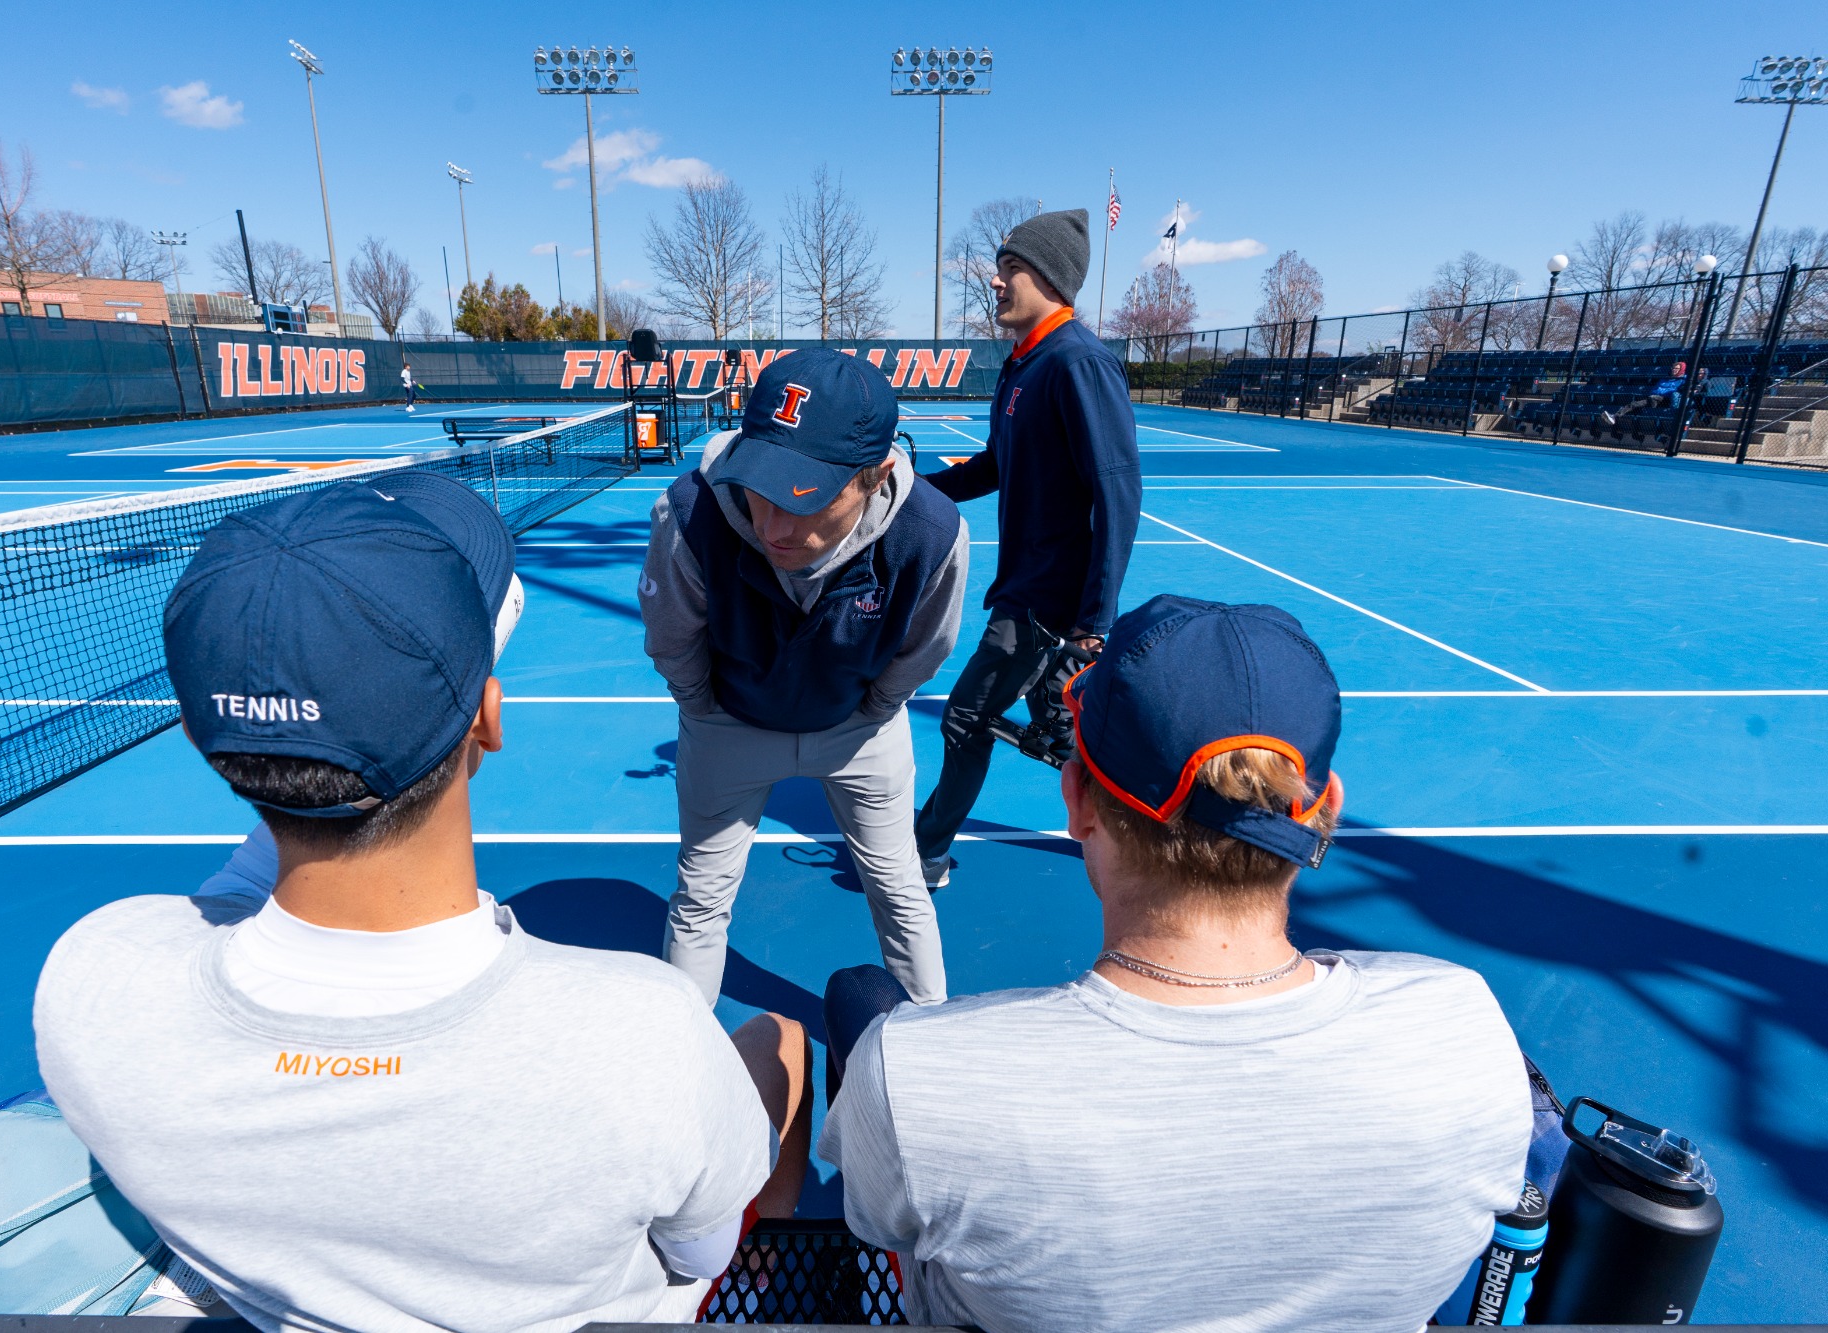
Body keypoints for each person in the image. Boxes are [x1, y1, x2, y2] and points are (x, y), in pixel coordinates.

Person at [35, 472, 812, 1333]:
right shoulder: (646, 1030)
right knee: (783, 1041)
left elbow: (244, 878)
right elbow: (696, 1254)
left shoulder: (94, 976)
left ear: (200, 737)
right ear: (490, 716)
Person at [821, 594, 1534, 1333]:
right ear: (1329, 806)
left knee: (859, 994)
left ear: (1077, 799)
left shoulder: (919, 1077)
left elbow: (884, 1223)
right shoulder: (1464, 1028)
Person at [639, 347, 967, 1007]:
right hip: (728, 724)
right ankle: (678, 1058)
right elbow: (674, 639)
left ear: (874, 476)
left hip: (858, 733)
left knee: (900, 888)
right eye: (760, 484)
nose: (772, 524)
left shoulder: (930, 535)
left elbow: (924, 649)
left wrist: (870, 710)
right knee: (700, 899)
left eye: (802, 497)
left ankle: (931, 1048)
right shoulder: (690, 514)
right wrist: (707, 712)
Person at [915, 207, 1141, 888]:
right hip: (1026, 587)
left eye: (1010, 268)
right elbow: (994, 465)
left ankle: (924, 854)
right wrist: (912, 493)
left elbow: (1118, 494)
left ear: (1048, 276)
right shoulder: (1023, 368)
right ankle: (1144, 838)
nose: (996, 280)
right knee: (1064, 741)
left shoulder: (1078, 363)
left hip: (1049, 601)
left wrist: (1094, 624)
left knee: (967, 717)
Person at [1600, 360, 1687, 427]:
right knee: (1633, 404)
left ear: (1681, 370)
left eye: (1676, 369)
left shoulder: (1683, 380)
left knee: (1654, 398)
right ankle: (1615, 417)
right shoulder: (1664, 379)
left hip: (1666, 399)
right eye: (1673, 368)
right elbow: (1655, 389)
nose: (1673, 370)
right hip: (1653, 398)